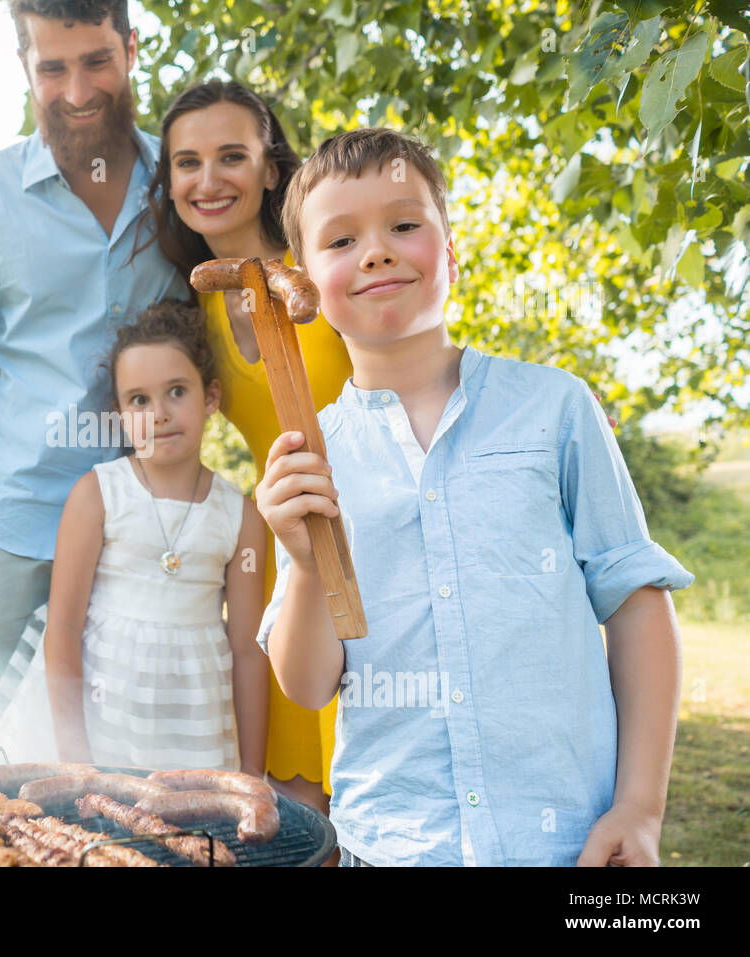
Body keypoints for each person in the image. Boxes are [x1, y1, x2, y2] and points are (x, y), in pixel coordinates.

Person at [255, 127, 694, 866]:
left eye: (404, 225)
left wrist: (639, 807)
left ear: (451, 252)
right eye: (341, 241)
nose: (376, 251)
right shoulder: (308, 456)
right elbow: (308, 683)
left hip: (560, 842)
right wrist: (303, 562)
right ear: (303, 287)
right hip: (391, 846)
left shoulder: (556, 409)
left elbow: (636, 602)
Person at [0, 1, 184, 756]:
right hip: (13, 529)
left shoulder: (185, 191)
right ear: (24, 66)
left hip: (145, 530)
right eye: (52, 67)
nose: (77, 89)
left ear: (130, 48)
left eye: (95, 60)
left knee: (123, 758)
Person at [140, 79, 352, 814]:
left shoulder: (329, 261)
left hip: (377, 535)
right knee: (297, 807)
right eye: (186, 163)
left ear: (270, 168)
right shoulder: (189, 305)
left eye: (232, 156)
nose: (208, 180)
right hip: (285, 550)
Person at [0, 300, 269, 772]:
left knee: (181, 840)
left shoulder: (242, 516)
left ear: (210, 396)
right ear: (120, 414)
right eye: (139, 400)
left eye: (176, 391)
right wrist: (76, 761)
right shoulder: (98, 495)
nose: (160, 414)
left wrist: (252, 774)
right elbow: (63, 631)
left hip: (192, 728)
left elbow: (249, 652)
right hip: (98, 724)